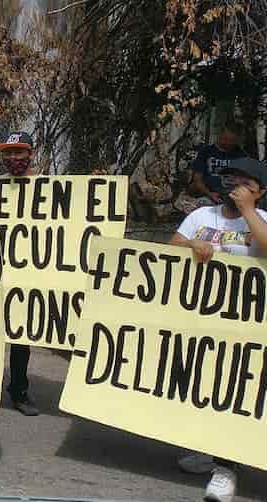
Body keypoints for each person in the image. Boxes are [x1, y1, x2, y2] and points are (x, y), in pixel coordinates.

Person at [171, 156, 267, 502]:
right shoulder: (201, 215)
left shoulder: (261, 220)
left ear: (260, 192)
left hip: (246, 326)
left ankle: (227, 470)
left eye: (245, 184)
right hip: (202, 319)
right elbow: (172, 247)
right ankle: (209, 451)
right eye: (230, 180)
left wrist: (249, 211)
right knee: (205, 389)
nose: (235, 187)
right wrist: (193, 244)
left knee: (235, 393)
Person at [0, 131, 41, 417]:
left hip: (29, 273)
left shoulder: (44, 188)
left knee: (21, 337)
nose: (13, 158)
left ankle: (19, 391)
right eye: (8, 153)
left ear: (30, 155)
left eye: (18, 153)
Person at [189, 125, 247, 206]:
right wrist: (209, 194)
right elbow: (197, 180)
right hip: (207, 195)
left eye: (231, 140)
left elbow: (246, 181)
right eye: (225, 139)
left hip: (232, 198)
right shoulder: (206, 152)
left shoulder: (241, 156)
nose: (227, 142)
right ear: (220, 135)